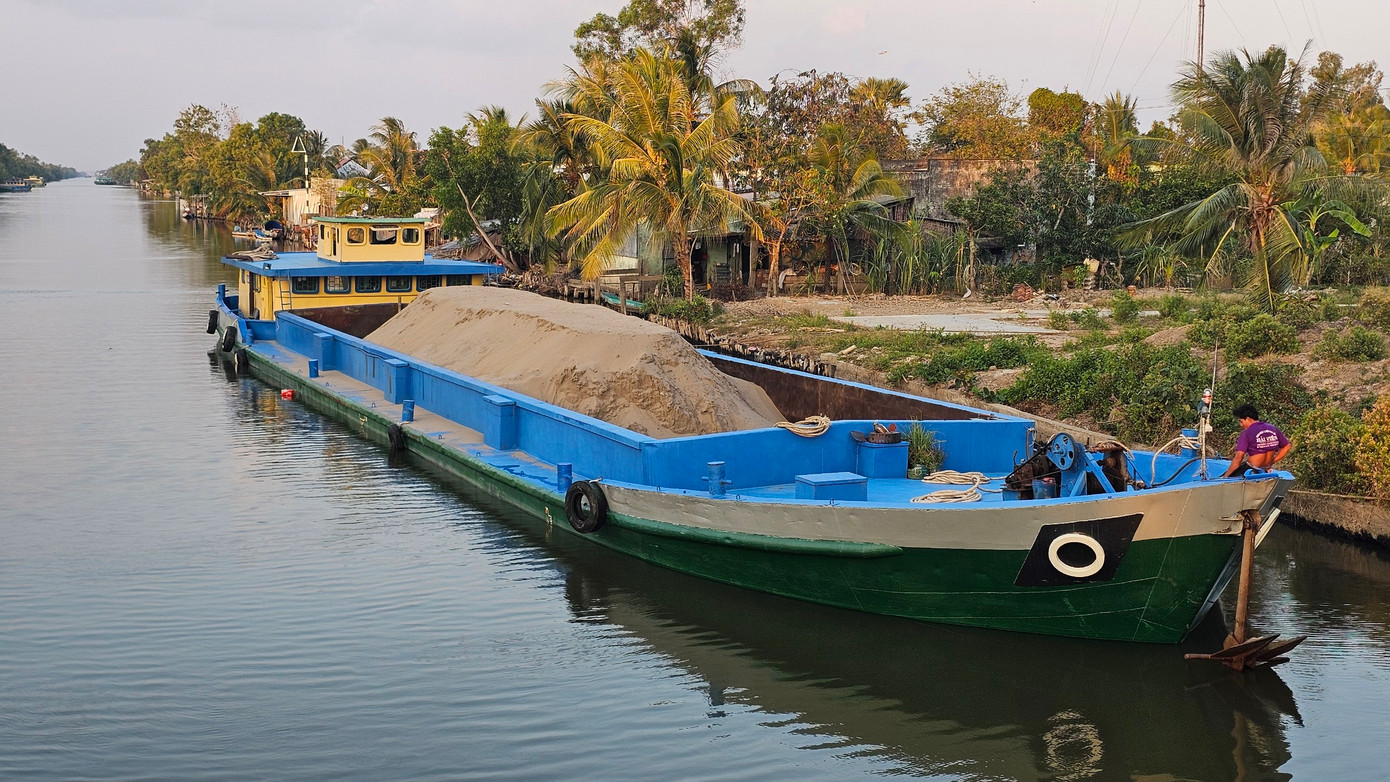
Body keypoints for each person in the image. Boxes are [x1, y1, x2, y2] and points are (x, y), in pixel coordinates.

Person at [1222, 404, 1292, 477]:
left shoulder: (1247, 433)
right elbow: (1286, 447)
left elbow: (1238, 458)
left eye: (1241, 421)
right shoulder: (1273, 429)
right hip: (1265, 469)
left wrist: (1225, 476)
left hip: (1251, 469)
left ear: (1248, 419)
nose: (1241, 425)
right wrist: (1272, 461)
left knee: (1224, 476)